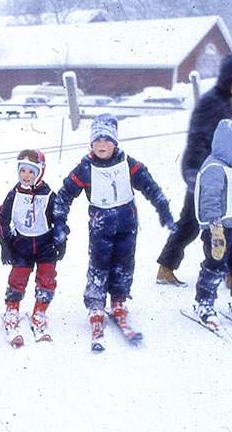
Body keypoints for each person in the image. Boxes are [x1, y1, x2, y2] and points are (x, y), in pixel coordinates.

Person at [53, 114, 174, 351]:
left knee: (124, 265)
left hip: (127, 226)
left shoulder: (129, 165)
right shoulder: (86, 168)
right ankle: (96, 306)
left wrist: (164, 210)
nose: (101, 145)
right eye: (96, 140)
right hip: (101, 227)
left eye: (106, 140)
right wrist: (59, 222)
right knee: (99, 267)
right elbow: (65, 194)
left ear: (115, 143)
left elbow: (151, 187)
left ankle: (119, 300)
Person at [156, 53, 232, 286]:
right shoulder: (214, 102)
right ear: (230, 78)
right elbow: (199, 137)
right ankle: (170, 269)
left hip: (218, 169)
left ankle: (228, 271)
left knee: (212, 220)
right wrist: (195, 172)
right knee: (205, 222)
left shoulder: (227, 101)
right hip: (203, 170)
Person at [192, 119, 232, 329]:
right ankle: (205, 303)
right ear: (229, 148)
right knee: (215, 265)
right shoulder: (214, 168)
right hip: (217, 229)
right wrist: (215, 228)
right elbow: (209, 199)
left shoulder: (229, 167)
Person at [0, 149, 60, 346]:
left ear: (39, 173)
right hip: (22, 244)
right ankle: (12, 309)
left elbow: (60, 219)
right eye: (22, 171)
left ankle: (40, 312)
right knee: (18, 278)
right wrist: (5, 243)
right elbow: (1, 219)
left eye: (31, 172)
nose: (26, 176)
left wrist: (61, 240)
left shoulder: (48, 195)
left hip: (44, 244)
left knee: (47, 278)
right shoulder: (14, 194)